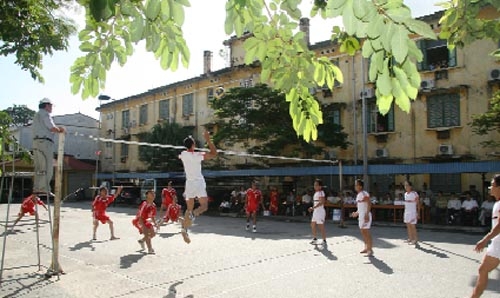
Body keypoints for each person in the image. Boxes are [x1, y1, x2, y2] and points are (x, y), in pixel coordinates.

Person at [178, 131, 217, 244]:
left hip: (189, 183)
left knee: (189, 208)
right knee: (204, 206)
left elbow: (180, 155)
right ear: (194, 145)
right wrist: (208, 140)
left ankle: (184, 228)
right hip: (199, 183)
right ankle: (192, 216)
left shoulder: (183, 154)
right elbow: (214, 153)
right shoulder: (198, 155)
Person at [470, 174, 500, 298]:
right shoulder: (497, 203)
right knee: (483, 270)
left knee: (483, 270)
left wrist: (484, 239)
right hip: (496, 244)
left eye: (492, 185)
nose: (490, 188)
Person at [32, 98, 65, 195]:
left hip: (37, 142)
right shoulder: (45, 114)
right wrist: (61, 130)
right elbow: (52, 127)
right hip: (45, 142)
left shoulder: (37, 115)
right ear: (47, 105)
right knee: (47, 166)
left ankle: (38, 187)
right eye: (51, 106)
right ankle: (43, 188)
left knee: (39, 166)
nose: (51, 108)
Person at [351, 179, 373, 256]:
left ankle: (370, 250)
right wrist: (356, 213)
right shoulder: (358, 195)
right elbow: (360, 207)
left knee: (366, 232)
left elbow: (369, 204)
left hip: (365, 215)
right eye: (355, 185)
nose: (355, 186)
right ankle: (366, 247)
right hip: (361, 216)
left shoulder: (364, 193)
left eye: (356, 185)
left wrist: (366, 214)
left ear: (360, 186)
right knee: (363, 232)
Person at [132, 190, 158, 254]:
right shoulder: (144, 204)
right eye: (151, 193)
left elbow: (152, 216)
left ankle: (142, 241)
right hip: (139, 220)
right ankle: (150, 249)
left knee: (153, 234)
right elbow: (140, 216)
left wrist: (155, 223)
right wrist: (143, 226)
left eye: (153, 193)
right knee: (146, 234)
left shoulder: (153, 205)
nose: (153, 194)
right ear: (147, 196)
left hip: (145, 220)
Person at [308, 179, 326, 245]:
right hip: (315, 211)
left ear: (320, 186)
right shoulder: (316, 193)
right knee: (312, 224)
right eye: (314, 185)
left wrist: (313, 208)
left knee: (321, 226)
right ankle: (315, 239)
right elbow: (316, 202)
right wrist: (313, 208)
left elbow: (322, 202)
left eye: (316, 185)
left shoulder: (321, 192)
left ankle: (324, 240)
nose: (315, 186)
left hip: (320, 211)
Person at [403, 181, 420, 245]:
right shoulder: (405, 194)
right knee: (408, 225)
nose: (406, 187)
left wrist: (418, 213)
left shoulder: (414, 193)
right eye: (405, 185)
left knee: (413, 226)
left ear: (410, 186)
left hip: (413, 212)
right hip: (406, 212)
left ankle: (415, 239)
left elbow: (418, 204)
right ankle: (410, 238)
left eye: (407, 185)